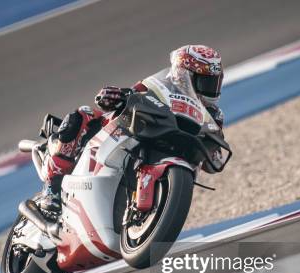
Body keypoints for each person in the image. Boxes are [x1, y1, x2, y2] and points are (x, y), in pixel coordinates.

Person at [40, 44, 225, 212]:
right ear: (183, 74)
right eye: (205, 82)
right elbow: (131, 95)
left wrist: (213, 149)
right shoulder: (159, 85)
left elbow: (213, 163)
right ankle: (52, 188)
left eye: (214, 83)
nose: (211, 89)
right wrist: (115, 95)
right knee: (84, 114)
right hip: (127, 134)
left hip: (175, 158)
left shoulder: (213, 116)